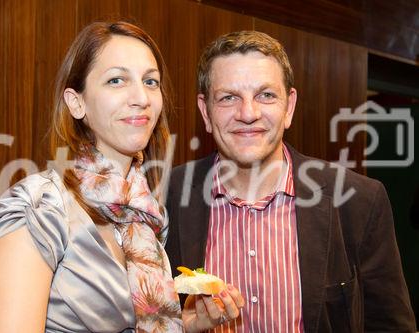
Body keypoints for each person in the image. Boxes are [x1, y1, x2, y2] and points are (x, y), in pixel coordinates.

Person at [0, 21, 243, 333]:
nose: (140, 97)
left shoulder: (146, 215)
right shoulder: (38, 209)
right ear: (77, 102)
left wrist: (185, 323)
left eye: (150, 81)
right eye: (116, 80)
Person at [165, 30, 416, 332]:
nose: (248, 113)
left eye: (266, 95)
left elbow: (391, 326)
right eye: (229, 97)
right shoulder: (164, 196)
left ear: (289, 107)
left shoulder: (358, 200)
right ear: (206, 112)